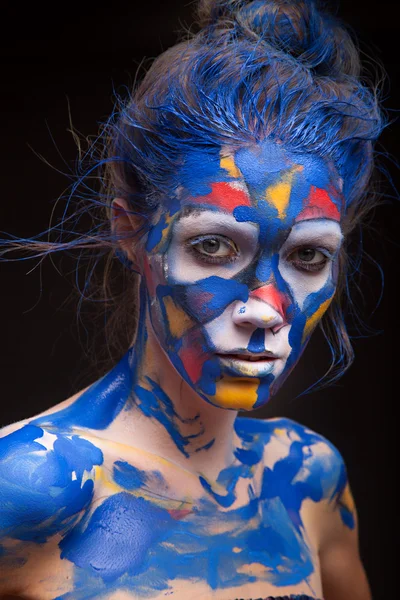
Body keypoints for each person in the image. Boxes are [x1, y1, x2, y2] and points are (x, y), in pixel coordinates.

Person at [0, 0, 384, 598]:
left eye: (308, 257)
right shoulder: (31, 486)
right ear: (131, 230)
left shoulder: (306, 478)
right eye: (212, 246)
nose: (265, 309)